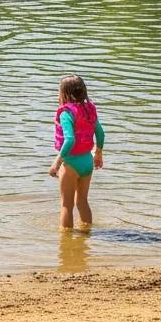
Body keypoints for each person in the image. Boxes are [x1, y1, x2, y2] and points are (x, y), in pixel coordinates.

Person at [48, 74, 104, 231]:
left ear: (64, 94)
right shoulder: (89, 110)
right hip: (87, 161)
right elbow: (100, 133)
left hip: (71, 163)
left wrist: (57, 162)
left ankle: (66, 239)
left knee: (66, 205)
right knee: (82, 201)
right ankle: (86, 234)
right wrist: (98, 153)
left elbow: (70, 140)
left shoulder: (66, 113)